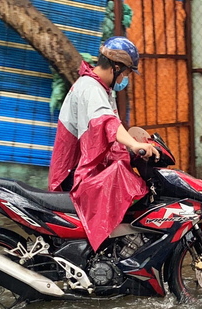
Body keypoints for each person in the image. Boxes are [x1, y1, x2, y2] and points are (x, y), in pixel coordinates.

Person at [48, 37, 158, 252]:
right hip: (73, 172)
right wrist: (134, 145)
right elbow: (105, 122)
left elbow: (111, 125)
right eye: (126, 73)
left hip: (81, 167)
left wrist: (132, 143)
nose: (125, 78)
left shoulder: (101, 87)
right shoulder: (90, 87)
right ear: (116, 67)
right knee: (127, 185)